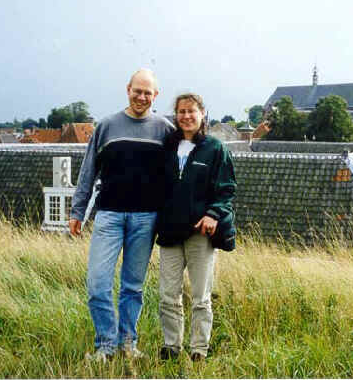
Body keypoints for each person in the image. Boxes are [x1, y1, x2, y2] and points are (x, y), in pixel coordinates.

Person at [69, 68, 175, 362]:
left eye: (147, 92)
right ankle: (106, 345)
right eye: (137, 91)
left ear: (156, 95)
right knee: (98, 284)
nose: (142, 97)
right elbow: (88, 171)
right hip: (109, 216)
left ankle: (128, 343)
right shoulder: (106, 127)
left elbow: (174, 179)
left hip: (146, 219)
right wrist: (78, 210)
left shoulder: (165, 131)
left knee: (132, 287)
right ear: (127, 89)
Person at [155, 93, 237, 362]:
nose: (186, 116)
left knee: (201, 296)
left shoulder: (215, 149)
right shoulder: (165, 147)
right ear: (176, 116)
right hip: (169, 231)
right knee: (168, 295)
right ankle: (171, 347)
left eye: (191, 111)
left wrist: (214, 214)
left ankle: (199, 350)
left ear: (202, 114)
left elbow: (226, 190)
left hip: (200, 233)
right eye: (181, 112)